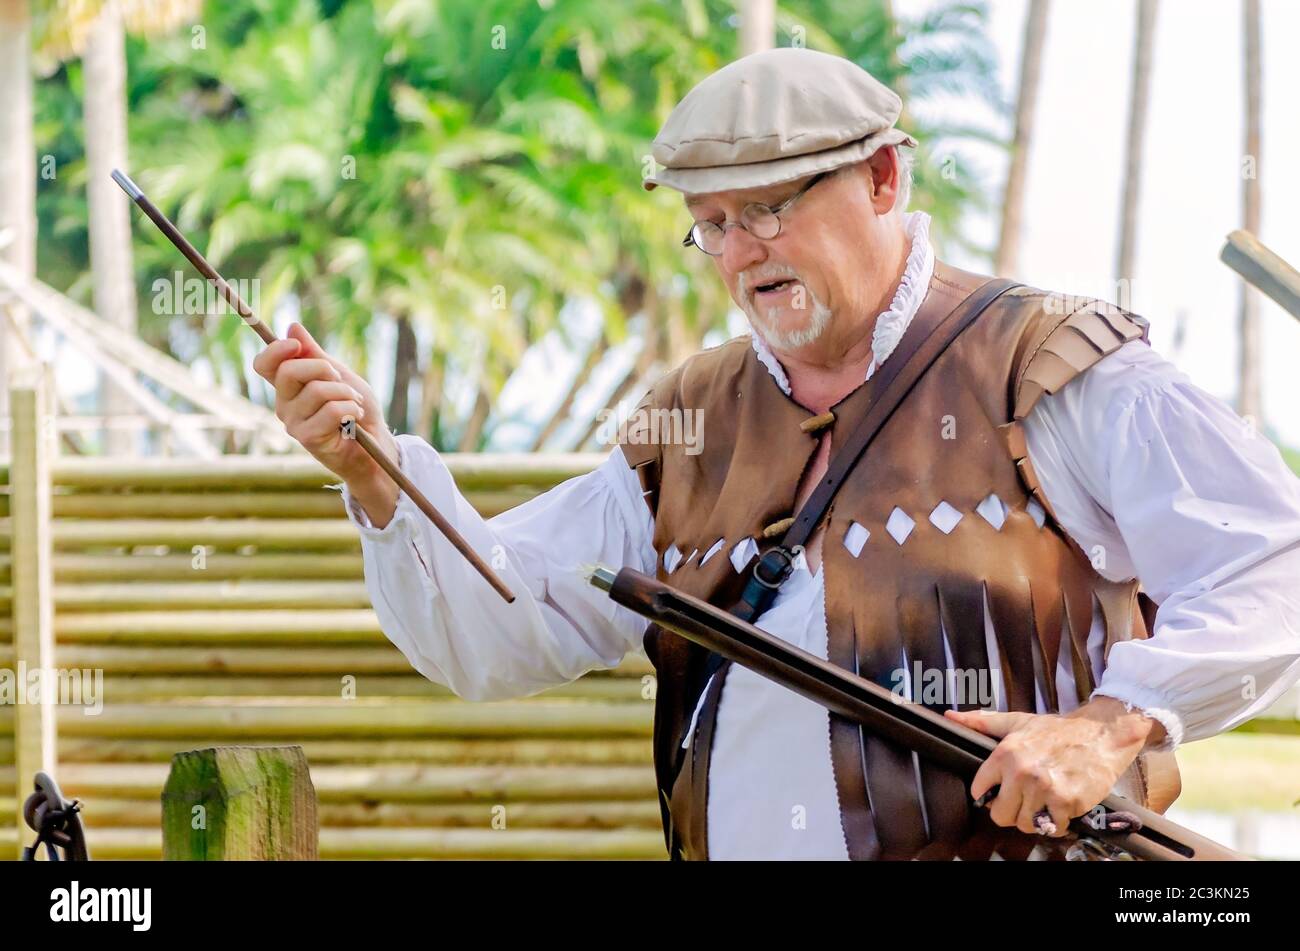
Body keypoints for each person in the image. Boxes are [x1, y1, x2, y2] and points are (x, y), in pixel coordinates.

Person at [253, 48, 1300, 860]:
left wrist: (1108, 728)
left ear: (883, 177)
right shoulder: (690, 420)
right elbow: (499, 630)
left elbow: (1268, 562)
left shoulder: (1048, 365)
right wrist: (375, 476)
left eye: (767, 208)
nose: (741, 251)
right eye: (710, 225)